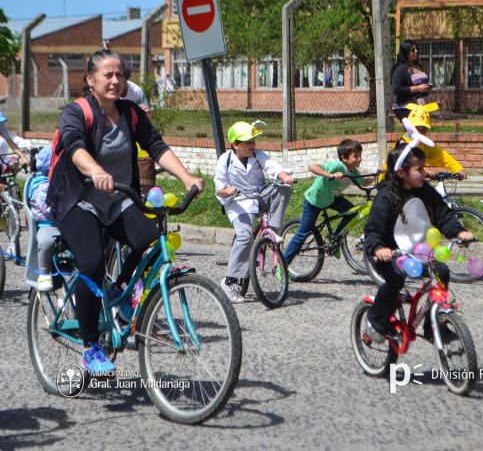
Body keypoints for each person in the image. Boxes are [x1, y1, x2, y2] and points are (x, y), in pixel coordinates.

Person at [47, 49, 203, 375]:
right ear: (90, 80)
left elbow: (156, 146)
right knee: (91, 263)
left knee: (152, 241)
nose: (116, 80)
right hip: (79, 202)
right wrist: (94, 170)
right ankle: (90, 346)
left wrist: (187, 176)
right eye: (108, 74)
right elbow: (74, 147)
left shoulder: (131, 112)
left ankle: (118, 289)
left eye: (120, 75)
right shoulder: (77, 112)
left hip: (118, 199)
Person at [362, 143, 474, 343]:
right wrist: (379, 248)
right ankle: (375, 322)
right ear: (401, 172)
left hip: (415, 252)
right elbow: (372, 231)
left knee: (441, 271)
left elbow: (443, 214)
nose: (425, 172)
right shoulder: (385, 196)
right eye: (419, 169)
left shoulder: (425, 191)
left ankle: (433, 325)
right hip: (387, 253)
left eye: (424, 167)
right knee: (395, 280)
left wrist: (458, 231)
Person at [215, 120, 294, 304]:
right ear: (236, 144)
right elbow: (219, 187)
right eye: (248, 142)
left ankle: (272, 230)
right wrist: (227, 191)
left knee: (283, 189)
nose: (253, 145)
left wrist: (284, 177)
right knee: (244, 236)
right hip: (238, 202)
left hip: (260, 195)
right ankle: (230, 281)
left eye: (254, 141)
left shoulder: (258, 155)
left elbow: (273, 167)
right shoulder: (224, 160)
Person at [282, 139, 374, 265]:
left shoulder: (354, 172)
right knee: (302, 234)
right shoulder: (337, 166)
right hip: (314, 201)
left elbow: (365, 182)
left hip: (331, 198)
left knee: (351, 213)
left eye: (360, 156)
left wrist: (379, 173)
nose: (359, 159)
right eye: (355, 156)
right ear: (344, 158)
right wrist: (329, 175)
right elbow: (312, 167)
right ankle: (283, 263)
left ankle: (335, 238)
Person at [397, 102, 467, 179]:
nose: (420, 132)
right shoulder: (404, 143)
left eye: (423, 129)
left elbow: (442, 156)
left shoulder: (424, 144)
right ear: (409, 127)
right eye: (416, 128)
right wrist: (423, 171)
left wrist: (457, 168)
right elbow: (409, 163)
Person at [26, 146, 58, 292]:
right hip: (47, 224)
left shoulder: (61, 182)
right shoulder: (42, 185)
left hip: (63, 223)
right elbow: (48, 208)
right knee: (46, 241)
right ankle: (44, 273)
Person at [391, 40, 432, 121]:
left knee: (421, 130)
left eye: (416, 49)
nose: (416, 51)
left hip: (421, 106)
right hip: (405, 107)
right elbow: (396, 89)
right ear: (406, 52)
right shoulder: (400, 69)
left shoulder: (417, 66)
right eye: (412, 50)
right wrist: (417, 88)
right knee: (413, 131)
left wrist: (428, 86)